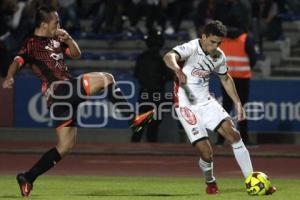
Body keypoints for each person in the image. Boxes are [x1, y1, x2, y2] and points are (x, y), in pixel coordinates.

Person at [2, 6, 153, 197]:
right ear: (43, 24)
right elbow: (17, 61)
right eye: (56, 22)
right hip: (59, 91)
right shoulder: (31, 43)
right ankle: (133, 120)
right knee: (107, 78)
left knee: (65, 147)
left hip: (61, 98)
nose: (59, 25)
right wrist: (9, 77)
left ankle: (28, 177)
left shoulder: (56, 38)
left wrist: (69, 39)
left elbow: (76, 55)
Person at [163, 20, 276, 194]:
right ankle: (210, 180)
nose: (215, 46)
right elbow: (168, 56)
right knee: (207, 154)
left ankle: (251, 180)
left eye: (218, 43)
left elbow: (225, 78)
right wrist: (177, 70)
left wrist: (238, 103)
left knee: (235, 135)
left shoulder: (218, 56)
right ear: (203, 37)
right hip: (185, 106)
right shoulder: (191, 48)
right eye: (212, 42)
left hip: (206, 102)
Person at [216, 26, 257, 146]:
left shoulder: (222, 40)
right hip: (243, 78)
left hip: (226, 78)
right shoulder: (246, 39)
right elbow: (253, 59)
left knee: (225, 109)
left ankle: (220, 140)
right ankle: (244, 139)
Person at [131, 30, 172, 142]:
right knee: (154, 126)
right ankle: (152, 149)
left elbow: (136, 74)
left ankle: (133, 148)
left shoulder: (141, 57)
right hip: (157, 95)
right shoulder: (162, 59)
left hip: (144, 94)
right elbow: (169, 75)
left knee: (140, 125)